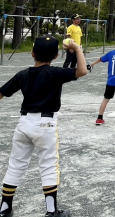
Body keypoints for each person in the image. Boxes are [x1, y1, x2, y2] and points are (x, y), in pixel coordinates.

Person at [0, 36, 89, 217]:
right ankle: (51, 211)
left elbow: (1, 93)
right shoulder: (55, 72)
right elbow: (82, 71)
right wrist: (77, 49)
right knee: (48, 166)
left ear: (32, 54)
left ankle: (4, 208)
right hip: (45, 124)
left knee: (16, 165)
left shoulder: (23, 74)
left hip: (24, 124)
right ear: (56, 56)